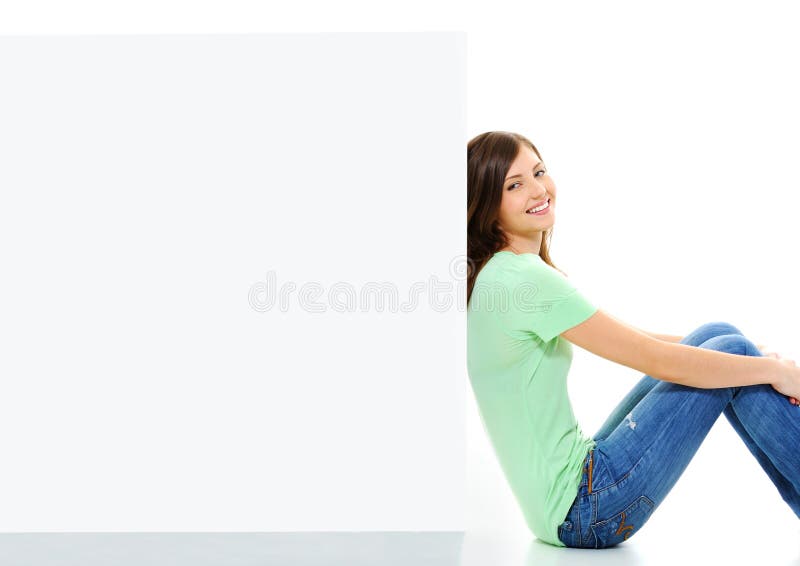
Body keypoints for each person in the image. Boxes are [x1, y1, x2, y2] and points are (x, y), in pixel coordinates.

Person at [466, 130, 800, 549]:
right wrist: (773, 371)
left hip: (568, 503)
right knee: (730, 351)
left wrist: (754, 360)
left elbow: (631, 337)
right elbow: (654, 358)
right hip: (585, 509)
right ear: (486, 206)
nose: (538, 190)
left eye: (539, 172)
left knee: (719, 337)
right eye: (514, 185)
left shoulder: (500, 274)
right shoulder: (522, 280)